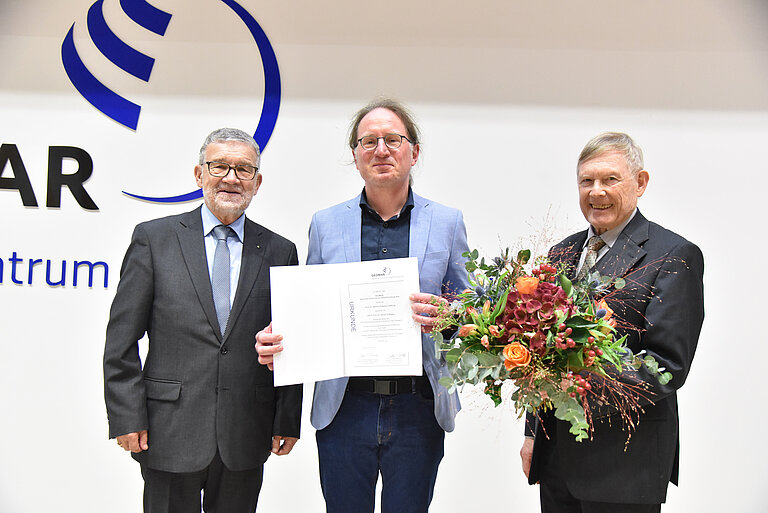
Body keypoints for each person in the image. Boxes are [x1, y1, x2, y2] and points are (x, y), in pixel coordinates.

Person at [255, 97, 470, 513]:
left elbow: (471, 308)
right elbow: (309, 308)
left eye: (393, 139)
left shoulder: (447, 222)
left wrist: (449, 317)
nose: (381, 150)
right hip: (345, 405)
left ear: (414, 152)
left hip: (417, 405)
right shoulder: (325, 222)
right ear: (355, 155)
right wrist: (281, 339)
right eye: (368, 141)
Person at [103, 128, 303, 513]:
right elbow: (121, 340)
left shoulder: (280, 250)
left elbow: (289, 342)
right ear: (199, 175)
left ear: (257, 182)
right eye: (219, 166)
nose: (231, 178)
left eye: (244, 169)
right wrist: (127, 415)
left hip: (246, 432)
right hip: (167, 429)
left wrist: (287, 418)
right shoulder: (154, 239)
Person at [519, 132, 705, 512]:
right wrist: (533, 435)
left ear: (640, 183)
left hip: (624, 464)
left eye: (610, 179)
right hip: (557, 461)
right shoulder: (563, 252)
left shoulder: (673, 254)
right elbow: (542, 350)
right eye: (586, 181)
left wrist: (582, 385)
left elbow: (666, 366)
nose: (596, 191)